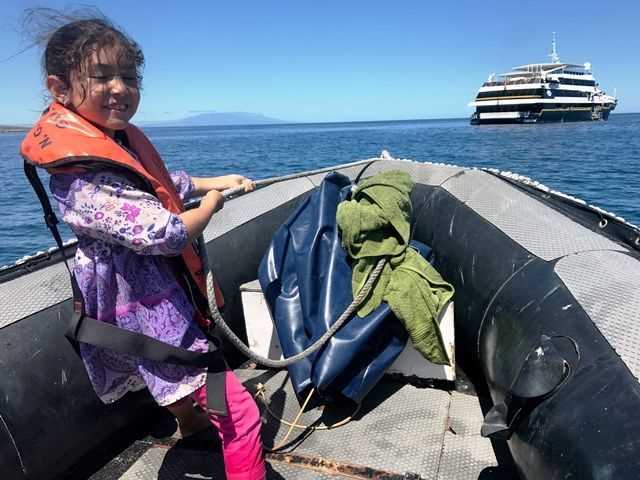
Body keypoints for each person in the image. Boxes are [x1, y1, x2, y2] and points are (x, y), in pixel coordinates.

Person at [20, 13, 265, 480]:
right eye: (102, 77)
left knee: (180, 378)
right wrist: (210, 206)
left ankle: (193, 424)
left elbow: (161, 185)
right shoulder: (81, 181)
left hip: (155, 302)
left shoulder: (114, 144)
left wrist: (216, 181)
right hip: (148, 312)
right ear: (60, 88)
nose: (120, 88)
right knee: (238, 413)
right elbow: (164, 231)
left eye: (129, 77)